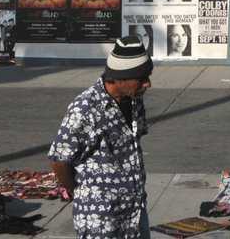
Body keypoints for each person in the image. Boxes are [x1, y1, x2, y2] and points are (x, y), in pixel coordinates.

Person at [49, 35, 153, 239]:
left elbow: (133, 144)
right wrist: (79, 193)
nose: (148, 84)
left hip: (134, 209)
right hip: (101, 216)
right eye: (141, 78)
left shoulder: (134, 100)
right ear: (119, 78)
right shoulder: (85, 109)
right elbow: (59, 161)